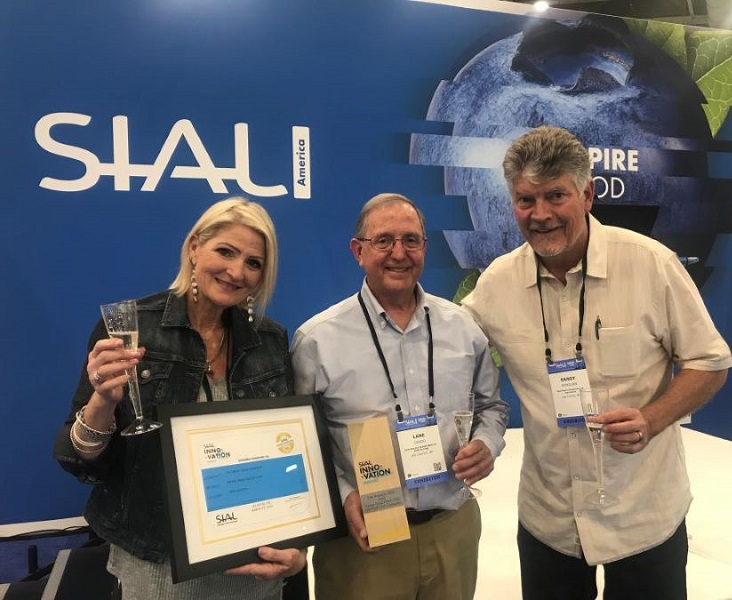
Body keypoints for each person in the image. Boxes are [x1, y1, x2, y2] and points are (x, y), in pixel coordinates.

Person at [460, 126, 732, 600]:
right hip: (550, 520)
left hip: (644, 515)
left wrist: (652, 418)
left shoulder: (650, 263)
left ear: (587, 194)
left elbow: (710, 362)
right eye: (526, 200)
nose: (540, 214)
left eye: (555, 196)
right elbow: (446, 351)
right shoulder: (497, 284)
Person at [53, 197, 308, 600]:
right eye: (225, 251)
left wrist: (299, 545)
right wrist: (102, 401)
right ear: (194, 247)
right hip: (160, 564)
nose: (236, 271)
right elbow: (78, 457)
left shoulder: (270, 339)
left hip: (251, 562)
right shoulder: (133, 328)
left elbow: (287, 454)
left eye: (253, 262)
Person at [291, 193, 509, 600]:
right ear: (358, 251)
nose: (399, 253)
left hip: (452, 528)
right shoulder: (317, 340)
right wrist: (342, 496)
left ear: (424, 248)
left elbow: (493, 407)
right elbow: (299, 443)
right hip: (364, 538)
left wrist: (487, 443)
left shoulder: (463, 327)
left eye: (411, 240)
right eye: (383, 241)